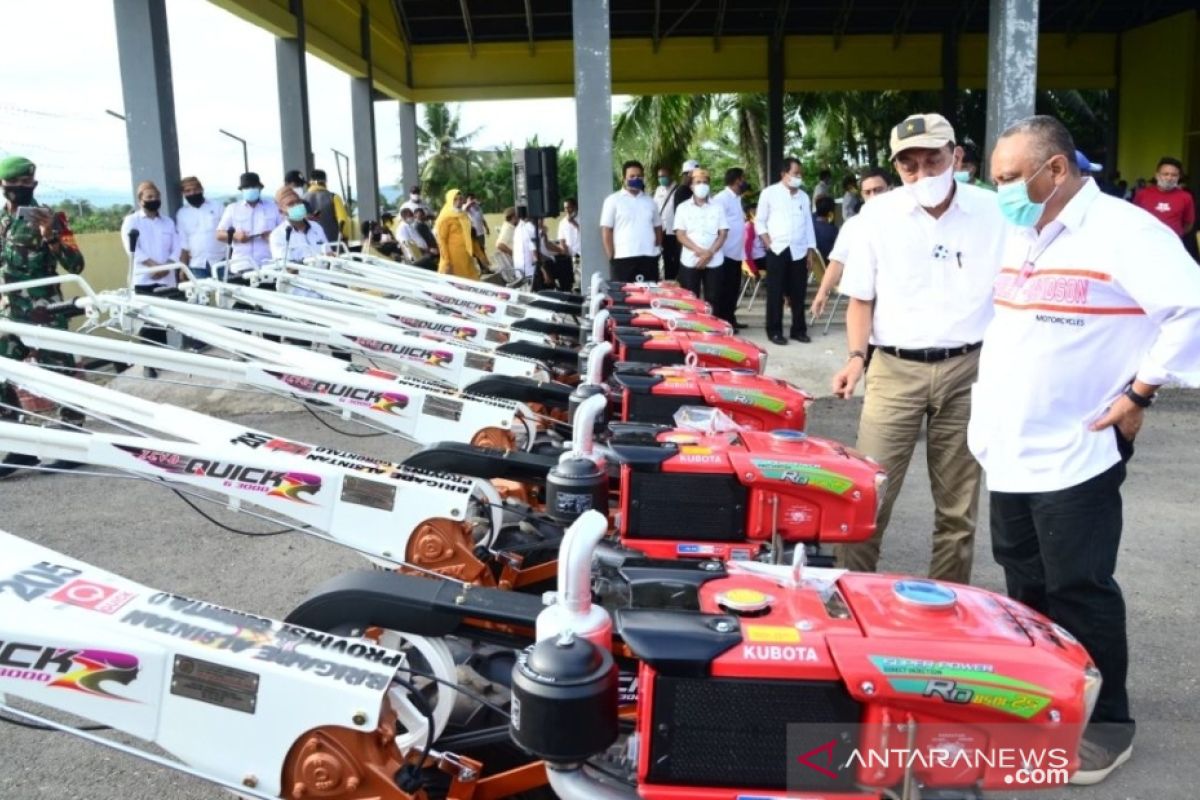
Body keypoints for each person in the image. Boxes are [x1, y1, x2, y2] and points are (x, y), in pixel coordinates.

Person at [976, 114, 1200, 785]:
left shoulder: (1126, 232)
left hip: (1080, 445)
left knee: (1079, 585)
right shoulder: (1024, 231)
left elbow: (1190, 308)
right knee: (1025, 583)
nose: (1003, 191)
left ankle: (1107, 728)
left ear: (1056, 169)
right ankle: (1042, 704)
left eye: (1011, 178)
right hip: (1010, 442)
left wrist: (1139, 392)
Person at [831, 112, 1007, 585]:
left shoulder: (994, 213)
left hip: (969, 370)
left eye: (934, 161)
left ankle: (946, 606)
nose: (923, 175)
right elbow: (860, 299)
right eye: (910, 166)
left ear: (957, 156)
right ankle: (850, 600)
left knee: (958, 508)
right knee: (869, 496)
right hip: (893, 370)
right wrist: (855, 359)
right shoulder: (878, 215)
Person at [0, 155, 86, 422]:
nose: (21, 186)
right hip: (10, 310)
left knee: (59, 374)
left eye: (27, 181)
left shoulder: (53, 218)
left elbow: (76, 265)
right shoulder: (2, 220)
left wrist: (50, 235)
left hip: (45, 310)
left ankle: (74, 436)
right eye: (14, 181)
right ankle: (19, 440)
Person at [811, 167, 892, 320]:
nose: (873, 196)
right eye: (868, 192)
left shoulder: (908, 221)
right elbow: (837, 262)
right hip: (865, 303)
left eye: (878, 190)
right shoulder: (853, 226)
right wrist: (822, 293)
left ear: (890, 189)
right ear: (862, 195)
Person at [756, 157, 817, 345]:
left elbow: (808, 225)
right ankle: (774, 330)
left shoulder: (804, 197)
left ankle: (798, 330)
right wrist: (767, 241)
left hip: (798, 250)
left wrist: (810, 251)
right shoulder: (769, 193)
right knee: (776, 292)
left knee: (798, 292)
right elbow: (760, 221)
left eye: (800, 174)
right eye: (795, 173)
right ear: (784, 174)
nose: (799, 177)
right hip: (777, 249)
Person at [673, 168, 729, 310]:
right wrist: (699, 251)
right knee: (690, 301)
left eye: (705, 182)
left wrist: (710, 253)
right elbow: (680, 234)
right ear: (691, 186)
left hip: (714, 260)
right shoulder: (683, 208)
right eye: (698, 182)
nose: (702, 185)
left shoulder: (718, 207)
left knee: (715, 299)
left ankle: (715, 330)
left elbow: (723, 233)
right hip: (691, 259)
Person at [600, 160, 663, 282]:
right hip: (623, 259)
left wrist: (657, 248)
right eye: (632, 176)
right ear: (624, 178)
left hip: (649, 258)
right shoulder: (613, 200)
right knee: (624, 298)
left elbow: (658, 227)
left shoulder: (650, 201)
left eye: (639, 176)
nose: (636, 179)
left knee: (649, 297)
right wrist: (611, 256)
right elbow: (606, 230)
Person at [216, 172, 281, 274]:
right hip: (241, 265)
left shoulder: (273, 207)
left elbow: (284, 232)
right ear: (242, 190)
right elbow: (219, 234)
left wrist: (272, 236)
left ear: (260, 188)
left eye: (253, 186)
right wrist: (235, 235)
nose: (250, 189)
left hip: (268, 265)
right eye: (246, 187)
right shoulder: (232, 208)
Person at [1133, 156, 1196, 260]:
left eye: (1174, 175)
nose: (1169, 178)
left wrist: (1174, 234)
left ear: (1178, 177)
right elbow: (1133, 217)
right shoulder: (1142, 194)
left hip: (1173, 247)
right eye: (1165, 174)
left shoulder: (1186, 197)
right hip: (1145, 244)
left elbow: (1188, 224)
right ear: (1157, 175)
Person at [713, 168, 749, 329]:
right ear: (736, 180)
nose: (745, 182)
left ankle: (731, 318)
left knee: (734, 289)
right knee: (725, 290)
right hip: (725, 252)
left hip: (736, 253)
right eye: (743, 179)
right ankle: (724, 322)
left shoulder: (736, 198)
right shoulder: (721, 198)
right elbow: (716, 224)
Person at [176, 176, 225, 280]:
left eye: (195, 189)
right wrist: (183, 268)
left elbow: (228, 232)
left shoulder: (217, 206)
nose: (192, 193)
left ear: (201, 189)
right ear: (183, 194)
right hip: (197, 265)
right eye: (188, 191)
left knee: (227, 294)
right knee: (202, 296)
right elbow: (184, 243)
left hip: (221, 261)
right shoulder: (182, 214)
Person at [270, 187, 329, 265]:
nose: (297, 206)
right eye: (291, 204)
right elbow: (286, 267)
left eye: (298, 202)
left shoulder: (316, 227)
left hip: (326, 275)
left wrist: (330, 256)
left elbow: (328, 253)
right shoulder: (278, 235)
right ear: (281, 212)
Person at [434, 189, 480, 280]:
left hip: (466, 256)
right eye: (455, 199)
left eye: (460, 199)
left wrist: (481, 256)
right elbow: (442, 241)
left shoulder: (464, 215)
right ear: (450, 201)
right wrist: (447, 262)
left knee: (471, 285)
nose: (458, 201)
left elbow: (469, 236)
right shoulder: (445, 218)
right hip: (453, 259)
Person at [304, 169, 350, 245]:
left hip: (311, 245)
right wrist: (345, 236)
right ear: (325, 181)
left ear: (310, 182)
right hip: (332, 244)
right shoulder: (334, 197)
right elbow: (343, 220)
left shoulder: (302, 199)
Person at [654, 165, 681, 281]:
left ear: (671, 176)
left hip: (674, 231)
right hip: (662, 231)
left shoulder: (678, 190)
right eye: (660, 176)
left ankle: (675, 281)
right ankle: (668, 282)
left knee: (675, 259)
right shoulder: (658, 190)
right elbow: (655, 208)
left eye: (664, 176)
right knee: (664, 258)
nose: (662, 178)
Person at [812, 195, 838, 262]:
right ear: (830, 213)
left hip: (816, 264)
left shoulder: (811, 224)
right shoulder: (833, 230)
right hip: (828, 262)